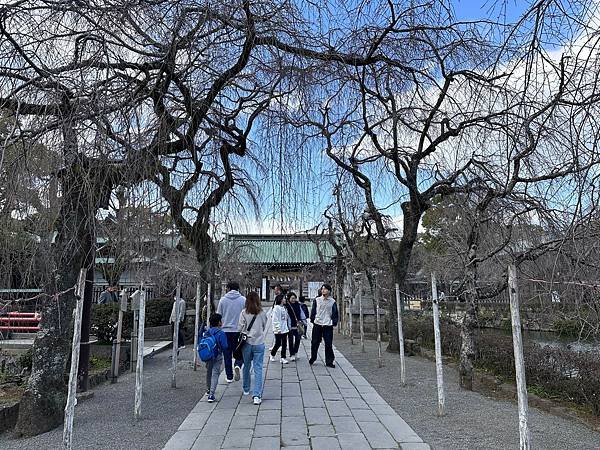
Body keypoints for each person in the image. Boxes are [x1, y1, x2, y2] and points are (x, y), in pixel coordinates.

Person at [238, 292, 268, 405]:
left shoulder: (243, 313)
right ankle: (257, 395)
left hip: (247, 343)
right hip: (259, 342)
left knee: (246, 365)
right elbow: (264, 326)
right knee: (258, 368)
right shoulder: (262, 313)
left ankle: (246, 388)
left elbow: (240, 328)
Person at [217, 281, 246, 382]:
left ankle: (229, 376)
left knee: (227, 354)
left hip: (225, 331)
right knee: (240, 351)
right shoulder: (243, 300)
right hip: (239, 330)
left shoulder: (223, 300)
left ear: (228, 288)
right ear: (238, 289)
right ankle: (238, 364)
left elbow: (218, 315)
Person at [309, 283, 339, 368]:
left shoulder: (332, 301)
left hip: (327, 324)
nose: (323, 290)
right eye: (322, 289)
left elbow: (335, 313)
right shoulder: (317, 300)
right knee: (315, 342)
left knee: (328, 343)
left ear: (329, 291)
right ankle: (313, 357)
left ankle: (329, 361)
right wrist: (312, 319)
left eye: (325, 289)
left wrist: (334, 322)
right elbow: (314, 311)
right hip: (318, 323)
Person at [204, 313, 229, 402]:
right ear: (219, 322)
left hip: (207, 355)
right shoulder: (221, 333)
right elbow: (225, 346)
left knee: (209, 372)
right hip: (217, 355)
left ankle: (208, 389)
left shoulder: (207, 332)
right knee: (215, 373)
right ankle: (211, 395)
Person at [270, 295, 290, 364]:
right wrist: (277, 328)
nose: (285, 300)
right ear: (280, 299)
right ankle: (272, 354)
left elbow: (285, 318)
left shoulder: (284, 308)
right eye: (284, 298)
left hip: (284, 329)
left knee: (284, 344)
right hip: (278, 329)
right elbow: (275, 319)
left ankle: (283, 357)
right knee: (278, 343)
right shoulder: (276, 308)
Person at [284, 292, 303, 361]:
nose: (293, 300)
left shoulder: (298, 305)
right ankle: (291, 354)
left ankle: (295, 352)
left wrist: (303, 321)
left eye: (294, 298)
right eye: (292, 298)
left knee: (298, 339)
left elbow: (301, 313)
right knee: (291, 340)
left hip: (297, 324)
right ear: (289, 298)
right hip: (290, 325)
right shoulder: (286, 306)